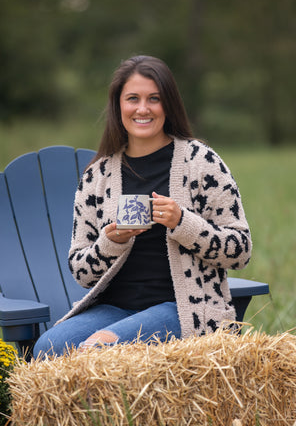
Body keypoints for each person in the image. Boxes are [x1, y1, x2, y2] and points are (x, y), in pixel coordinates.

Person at [33, 55, 252, 358]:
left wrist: (182, 223)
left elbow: (240, 250)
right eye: (132, 98)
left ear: (169, 105)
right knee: (48, 349)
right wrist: (111, 241)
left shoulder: (201, 163)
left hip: (185, 307)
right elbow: (81, 272)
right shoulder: (97, 176)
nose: (143, 108)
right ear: (118, 105)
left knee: (99, 348)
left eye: (154, 99)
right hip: (114, 309)